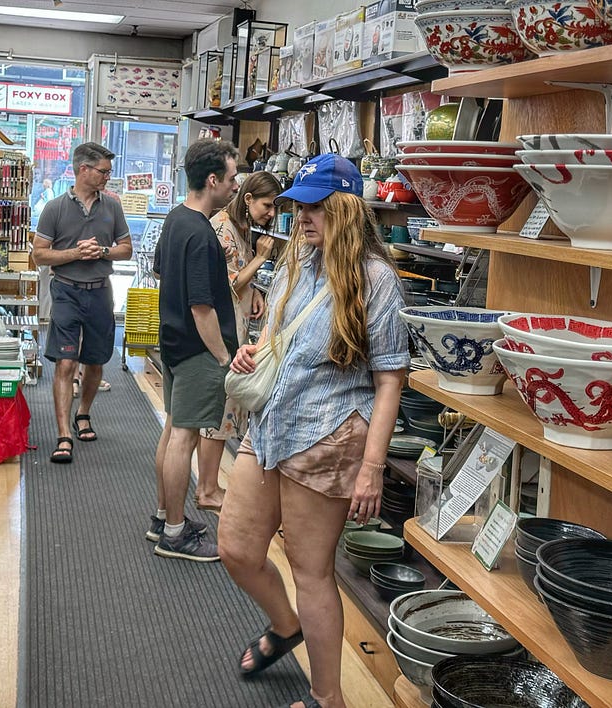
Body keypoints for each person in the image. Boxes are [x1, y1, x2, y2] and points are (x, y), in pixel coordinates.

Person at [219, 154, 408, 708]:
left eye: (315, 207)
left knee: (311, 571)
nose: (301, 216)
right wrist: (251, 353)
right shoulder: (298, 263)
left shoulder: (377, 280)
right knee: (236, 547)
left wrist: (371, 468)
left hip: (329, 434)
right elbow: (277, 336)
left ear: (345, 209)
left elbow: (390, 380)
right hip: (274, 420)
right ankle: (286, 626)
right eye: (298, 205)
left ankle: (330, 699)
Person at [147, 138, 241, 562]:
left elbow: (160, 271)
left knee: (172, 432)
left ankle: (165, 517)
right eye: (233, 178)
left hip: (172, 345)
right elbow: (202, 308)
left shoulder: (175, 220)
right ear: (212, 180)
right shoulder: (202, 235)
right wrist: (224, 359)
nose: (236, 186)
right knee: (183, 436)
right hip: (198, 350)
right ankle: (174, 533)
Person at [30, 142, 131, 464]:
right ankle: (63, 434)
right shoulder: (55, 208)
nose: (107, 177)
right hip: (66, 291)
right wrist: (75, 253)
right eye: (103, 171)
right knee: (65, 362)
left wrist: (101, 251)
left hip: (101, 292)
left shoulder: (112, 207)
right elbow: (39, 254)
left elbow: (126, 248)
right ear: (83, 170)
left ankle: (83, 413)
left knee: (96, 360)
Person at [195, 171, 282, 512]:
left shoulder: (239, 229)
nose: (271, 213)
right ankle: (207, 488)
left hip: (236, 329)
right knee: (218, 412)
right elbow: (228, 284)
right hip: (223, 332)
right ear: (248, 199)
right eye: (267, 205)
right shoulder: (223, 230)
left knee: (226, 409)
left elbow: (241, 283)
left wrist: (256, 290)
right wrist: (261, 259)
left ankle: (209, 485)